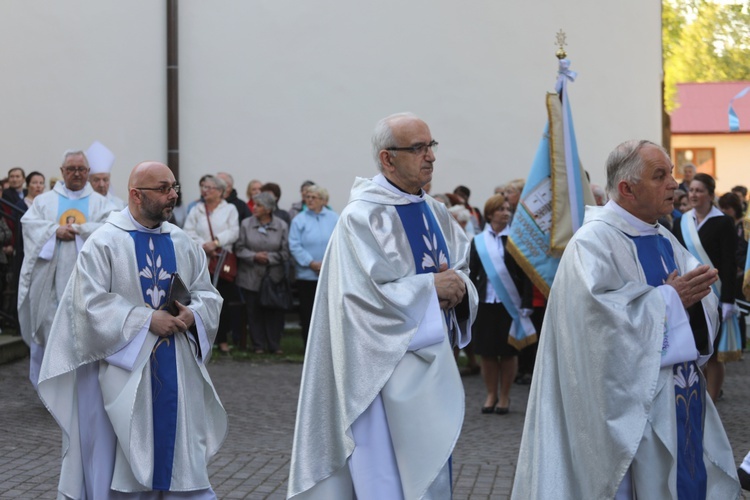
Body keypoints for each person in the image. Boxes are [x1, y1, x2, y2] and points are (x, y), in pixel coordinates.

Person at [512, 140, 739, 499]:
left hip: (678, 395)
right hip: (624, 410)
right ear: (627, 189)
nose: (674, 185)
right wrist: (669, 300)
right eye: (660, 176)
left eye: (672, 175)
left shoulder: (664, 236)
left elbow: (697, 300)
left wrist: (694, 302)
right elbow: (596, 328)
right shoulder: (593, 244)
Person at [288, 112, 478, 499]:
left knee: (430, 471)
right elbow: (358, 301)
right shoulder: (362, 217)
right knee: (388, 477)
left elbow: (458, 267)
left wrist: (461, 287)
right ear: (387, 159)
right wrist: (430, 289)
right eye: (418, 148)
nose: (431, 157)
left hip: (433, 365)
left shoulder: (435, 211)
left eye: (431, 146)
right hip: (380, 373)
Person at [37, 161, 227, 499]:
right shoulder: (105, 242)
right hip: (119, 373)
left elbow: (207, 294)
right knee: (119, 463)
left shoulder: (182, 241)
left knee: (178, 460)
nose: (174, 195)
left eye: (174, 187)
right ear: (136, 195)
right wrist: (145, 320)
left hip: (175, 370)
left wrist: (192, 316)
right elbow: (86, 305)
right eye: (164, 189)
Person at [18, 150, 113, 388]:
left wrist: (80, 230)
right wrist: (53, 231)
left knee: (83, 328)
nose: (76, 174)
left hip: (88, 281)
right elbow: (29, 225)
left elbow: (109, 229)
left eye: (81, 169)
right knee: (50, 326)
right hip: (50, 280)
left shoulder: (102, 203)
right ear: (62, 171)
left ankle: (83, 387)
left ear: (88, 172)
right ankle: (51, 387)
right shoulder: (44, 201)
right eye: (71, 169)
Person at [673, 172, 739, 401]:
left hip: (715, 294)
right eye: (691, 190)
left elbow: (730, 263)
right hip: (689, 295)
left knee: (713, 354)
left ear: (711, 195)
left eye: (699, 190)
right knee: (692, 348)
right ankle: (695, 393)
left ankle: (711, 398)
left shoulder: (723, 222)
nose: (693, 194)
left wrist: (728, 299)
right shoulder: (681, 221)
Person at [469, 194, 532, 415]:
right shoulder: (477, 242)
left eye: (508, 209)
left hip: (510, 305)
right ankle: (490, 394)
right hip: (486, 303)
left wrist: (526, 303)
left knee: (508, 353)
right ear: (490, 214)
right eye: (501, 209)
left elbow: (525, 275)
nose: (506, 212)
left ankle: (504, 396)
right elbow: (472, 272)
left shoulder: (515, 239)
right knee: (486, 353)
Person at [183, 174, 239, 355]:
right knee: (201, 300)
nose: (204, 191)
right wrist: (203, 246)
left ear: (220, 191)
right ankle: (202, 339)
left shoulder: (229, 209)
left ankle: (222, 340)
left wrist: (215, 243)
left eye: (209, 188)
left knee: (222, 301)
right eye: (203, 187)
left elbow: (234, 231)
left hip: (222, 262)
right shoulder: (196, 210)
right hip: (202, 261)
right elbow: (187, 232)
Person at [235, 191, 290, 354]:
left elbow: (286, 252)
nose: (254, 208)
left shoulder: (281, 225)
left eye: (258, 205)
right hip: (250, 276)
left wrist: (269, 258)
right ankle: (257, 345)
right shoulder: (246, 224)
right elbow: (239, 248)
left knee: (273, 312)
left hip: (273, 277)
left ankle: (274, 344)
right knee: (254, 312)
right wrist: (254, 256)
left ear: (268, 208)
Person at [288, 184, 338, 347]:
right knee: (308, 313)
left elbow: (339, 242)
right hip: (307, 275)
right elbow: (294, 244)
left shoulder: (334, 218)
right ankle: (309, 348)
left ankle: (329, 348)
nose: (309, 200)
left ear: (323, 200)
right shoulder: (299, 219)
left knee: (329, 313)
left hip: (329, 272)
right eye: (307, 197)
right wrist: (310, 263)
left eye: (313, 197)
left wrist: (326, 263)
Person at [718, 192, 748, 351]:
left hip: (741, 273)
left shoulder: (743, 225)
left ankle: (740, 343)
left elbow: (741, 251)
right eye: (721, 207)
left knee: (741, 310)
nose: (723, 210)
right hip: (733, 272)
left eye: (727, 208)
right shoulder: (727, 223)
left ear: (735, 208)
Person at [87, 140, 127, 209]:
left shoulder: (120, 206)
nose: (101, 185)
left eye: (105, 180)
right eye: (96, 180)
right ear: (88, 180)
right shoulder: (82, 204)